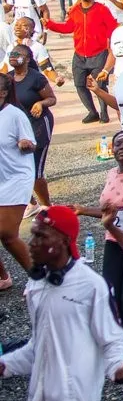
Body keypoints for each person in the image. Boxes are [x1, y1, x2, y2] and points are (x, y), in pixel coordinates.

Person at [0, 206, 123, 401]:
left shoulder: (91, 286)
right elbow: (39, 345)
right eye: (33, 234)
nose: (31, 243)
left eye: (41, 236)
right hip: (40, 399)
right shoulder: (36, 285)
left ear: (64, 240)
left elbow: (111, 340)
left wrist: (118, 366)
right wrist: (6, 365)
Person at [74, 130, 123, 342]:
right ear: (112, 150)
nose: (122, 147)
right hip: (113, 240)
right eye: (118, 144)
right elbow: (110, 212)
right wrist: (82, 209)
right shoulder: (111, 174)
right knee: (110, 293)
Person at [45, 0, 117, 124]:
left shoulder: (102, 9)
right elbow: (68, 27)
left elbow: (112, 27)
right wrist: (49, 24)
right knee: (79, 84)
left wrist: (112, 47)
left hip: (99, 53)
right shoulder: (75, 11)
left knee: (100, 85)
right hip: (79, 55)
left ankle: (104, 113)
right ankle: (92, 112)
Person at [0, 71, 37, 287]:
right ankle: (3, 278)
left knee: (7, 233)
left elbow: (30, 144)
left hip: (16, 178)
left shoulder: (15, 115)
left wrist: (25, 143)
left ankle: (42, 279)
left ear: (4, 93)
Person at [10, 44, 55, 214]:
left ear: (27, 59)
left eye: (18, 54)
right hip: (18, 127)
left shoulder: (36, 78)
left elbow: (52, 98)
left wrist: (40, 103)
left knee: (35, 170)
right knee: (15, 167)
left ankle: (47, 208)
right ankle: (31, 203)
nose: (13, 56)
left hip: (38, 125)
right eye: (12, 53)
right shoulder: (8, 79)